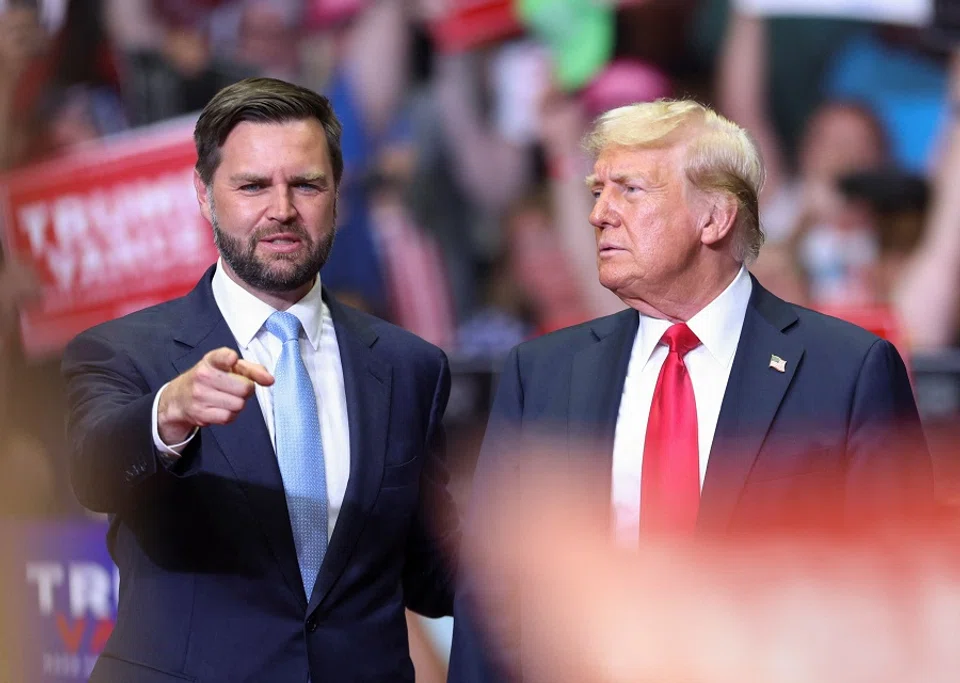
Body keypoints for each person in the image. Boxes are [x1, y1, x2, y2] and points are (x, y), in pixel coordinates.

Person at [447, 100, 933, 682]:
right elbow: (492, 600)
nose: (600, 213)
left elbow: (896, 597)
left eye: (629, 190)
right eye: (597, 191)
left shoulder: (849, 372)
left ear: (715, 217)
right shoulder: (542, 372)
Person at [61, 77, 459, 682]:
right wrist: (167, 413)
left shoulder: (411, 367)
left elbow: (432, 572)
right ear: (203, 193)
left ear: (337, 194)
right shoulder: (124, 350)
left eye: (306, 184)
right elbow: (93, 471)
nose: (282, 209)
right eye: (252, 185)